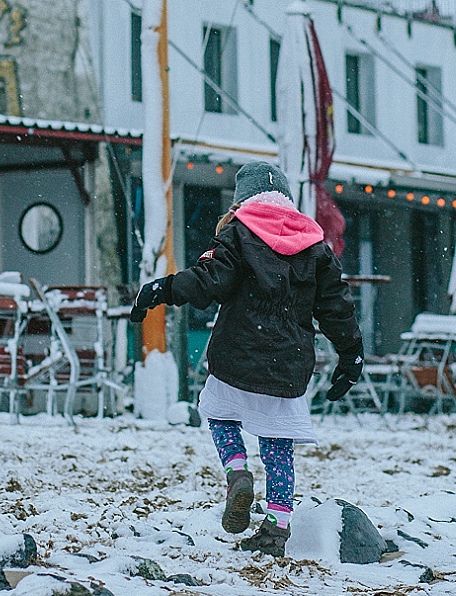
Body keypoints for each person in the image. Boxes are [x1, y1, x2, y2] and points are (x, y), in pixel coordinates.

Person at [130, 161, 363, 557]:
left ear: (241, 201)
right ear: (287, 198)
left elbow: (208, 282)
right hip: (288, 366)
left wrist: (162, 289)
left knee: (218, 414)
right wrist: (351, 355)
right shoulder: (316, 246)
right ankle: (276, 527)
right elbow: (336, 307)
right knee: (278, 446)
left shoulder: (238, 234)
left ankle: (237, 471)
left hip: (237, 356)